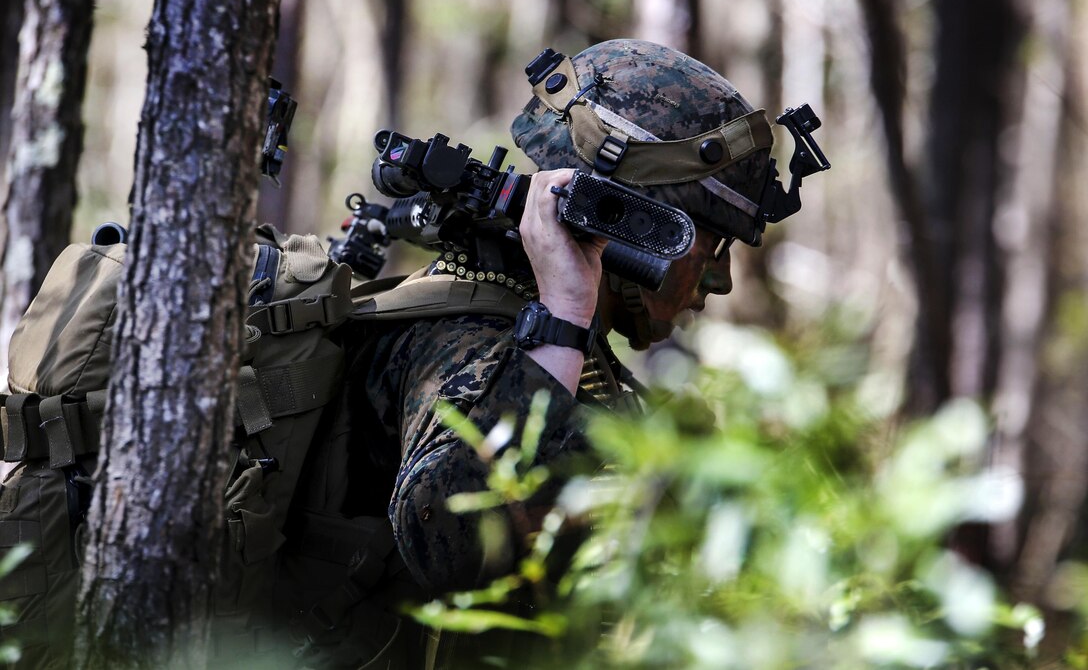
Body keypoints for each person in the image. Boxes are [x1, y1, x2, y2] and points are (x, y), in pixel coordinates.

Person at [247, 39, 811, 668]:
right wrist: (566, 311)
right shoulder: (470, 335)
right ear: (629, 222)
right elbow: (451, 540)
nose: (722, 281)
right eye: (711, 247)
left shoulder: (561, 347)